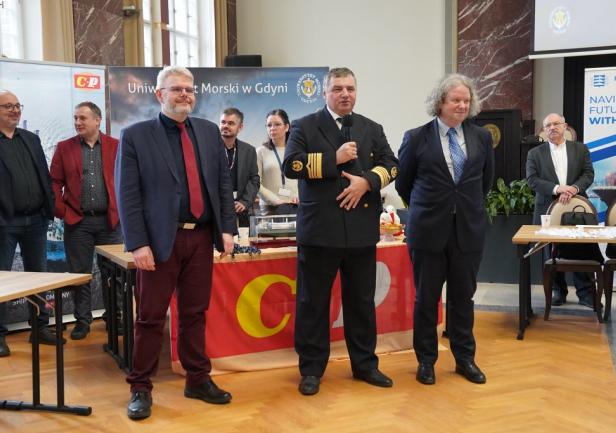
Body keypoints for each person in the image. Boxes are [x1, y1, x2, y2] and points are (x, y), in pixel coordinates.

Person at [115, 66, 236, 420]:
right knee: (150, 317)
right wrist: (138, 243)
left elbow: (223, 185)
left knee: (195, 313)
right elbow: (127, 194)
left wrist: (228, 229)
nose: (185, 94)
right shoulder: (135, 136)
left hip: (201, 237)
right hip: (158, 242)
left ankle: (197, 379)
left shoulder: (209, 132)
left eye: (189, 89)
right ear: (159, 95)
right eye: (176, 89)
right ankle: (140, 386)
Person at [283, 67, 399, 396]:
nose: (345, 94)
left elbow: (393, 165)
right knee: (313, 303)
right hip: (320, 231)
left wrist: (368, 182)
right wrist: (332, 159)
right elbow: (291, 165)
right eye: (337, 88)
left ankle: (365, 365)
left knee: (361, 302)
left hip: (361, 230)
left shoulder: (371, 128)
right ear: (325, 93)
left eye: (350, 88)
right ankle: (311, 369)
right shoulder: (305, 125)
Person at [395, 73, 494, 386]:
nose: (462, 105)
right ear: (440, 102)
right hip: (428, 230)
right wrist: (430, 207)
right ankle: (426, 361)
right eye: (456, 100)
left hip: (468, 230)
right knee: (426, 299)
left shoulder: (481, 137)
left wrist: (462, 206)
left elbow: (485, 181)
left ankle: (465, 359)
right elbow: (403, 184)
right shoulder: (416, 137)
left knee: (463, 298)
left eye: (466, 100)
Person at [50, 101, 123, 340]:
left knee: (112, 273)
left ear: (97, 120)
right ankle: (82, 321)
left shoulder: (116, 146)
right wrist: (62, 210)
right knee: (80, 274)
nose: (77, 123)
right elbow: (54, 182)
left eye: (82, 118)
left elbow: (126, 180)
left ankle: (115, 317)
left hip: (109, 222)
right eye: (75, 118)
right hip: (78, 222)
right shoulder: (64, 147)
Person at [0, 89, 60, 354]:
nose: (15, 110)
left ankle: (40, 328)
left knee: (38, 275)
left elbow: (44, 177)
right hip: (5, 223)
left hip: (36, 220)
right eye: (8, 106)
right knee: (2, 279)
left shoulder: (31, 139)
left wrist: (49, 208)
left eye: (17, 105)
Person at [526, 113, 595, 308]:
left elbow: (588, 174)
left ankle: (586, 293)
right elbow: (532, 180)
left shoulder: (580, 149)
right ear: (544, 130)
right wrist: (558, 189)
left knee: (581, 248)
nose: (552, 128)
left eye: (556, 124)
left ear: (565, 126)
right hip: (547, 206)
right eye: (547, 125)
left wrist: (573, 189)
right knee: (551, 251)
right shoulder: (535, 153)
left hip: (577, 205)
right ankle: (557, 291)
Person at [219, 107, 260, 227]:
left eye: (231, 123)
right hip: (216, 209)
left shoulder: (249, 150)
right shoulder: (208, 148)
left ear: (240, 127)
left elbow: (254, 179)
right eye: (223, 122)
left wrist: (245, 202)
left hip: (241, 210)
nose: (225, 126)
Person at [257, 109, 299, 215]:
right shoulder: (260, 152)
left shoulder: (297, 150)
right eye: (269, 125)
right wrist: (275, 200)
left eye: (277, 124)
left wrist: (301, 195)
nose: (272, 128)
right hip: (271, 208)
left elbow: (305, 178)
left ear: (286, 127)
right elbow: (255, 183)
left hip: (296, 205)